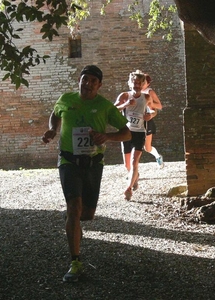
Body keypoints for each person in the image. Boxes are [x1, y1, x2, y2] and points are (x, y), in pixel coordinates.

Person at [42, 65, 131, 283]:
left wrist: (107, 137)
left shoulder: (105, 106)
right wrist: (53, 130)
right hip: (68, 161)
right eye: (85, 79)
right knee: (74, 207)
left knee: (87, 214)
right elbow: (55, 115)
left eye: (93, 81)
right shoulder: (66, 99)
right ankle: (75, 261)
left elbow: (127, 133)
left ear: (99, 85)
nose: (88, 84)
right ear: (79, 81)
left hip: (93, 163)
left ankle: (73, 221)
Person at [114, 70, 155, 200]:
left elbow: (153, 110)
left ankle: (128, 188)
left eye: (139, 83)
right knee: (127, 165)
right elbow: (112, 111)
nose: (137, 85)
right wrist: (126, 104)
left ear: (143, 84)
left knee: (134, 161)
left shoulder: (147, 97)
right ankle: (135, 176)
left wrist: (151, 115)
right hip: (126, 132)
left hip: (139, 133)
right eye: (134, 82)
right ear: (130, 83)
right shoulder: (124, 96)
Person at [142, 74, 164, 168]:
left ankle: (158, 156)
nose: (142, 84)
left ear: (148, 83)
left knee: (147, 148)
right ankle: (132, 171)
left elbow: (159, 106)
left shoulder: (150, 92)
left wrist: (150, 103)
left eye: (144, 82)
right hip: (136, 122)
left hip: (147, 121)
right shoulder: (134, 91)